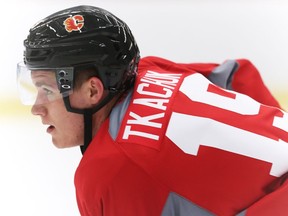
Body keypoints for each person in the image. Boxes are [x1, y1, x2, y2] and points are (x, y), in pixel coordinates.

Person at [17, 5, 288, 216]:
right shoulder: (151, 70)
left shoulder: (105, 175)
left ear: (92, 91)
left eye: (47, 90)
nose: (37, 108)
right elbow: (238, 76)